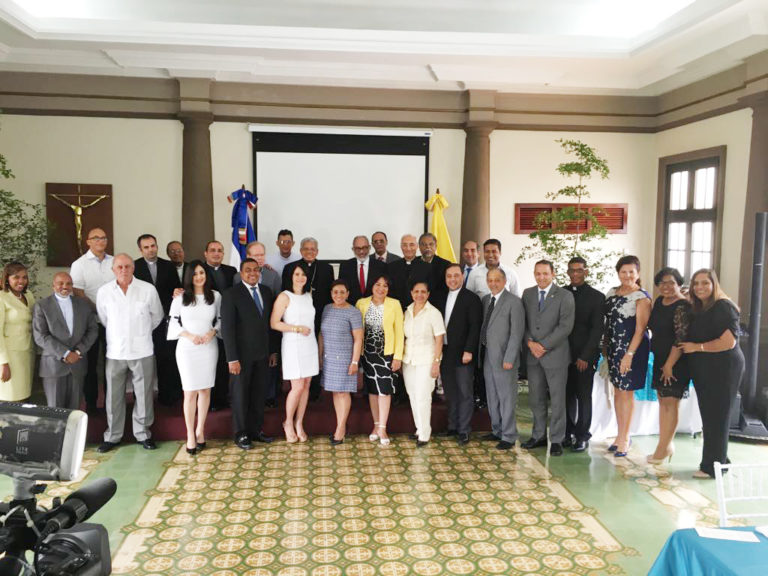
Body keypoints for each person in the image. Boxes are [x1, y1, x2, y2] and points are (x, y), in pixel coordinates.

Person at [679, 268, 745, 479]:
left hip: (723, 367)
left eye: (705, 283)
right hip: (705, 367)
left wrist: (696, 348)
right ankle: (720, 461)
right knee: (709, 415)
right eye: (696, 283)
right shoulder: (700, 307)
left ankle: (713, 467)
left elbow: (728, 343)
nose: (700, 287)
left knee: (718, 416)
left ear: (714, 284)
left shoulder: (724, 306)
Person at [96, 254, 164, 453]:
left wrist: (140, 333)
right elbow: (104, 318)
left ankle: (143, 434)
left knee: (143, 394)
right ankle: (113, 436)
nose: (123, 270)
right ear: (113, 270)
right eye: (119, 267)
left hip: (142, 349)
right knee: (113, 397)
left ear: (133, 268)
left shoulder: (147, 289)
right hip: (115, 351)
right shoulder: (104, 292)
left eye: (127, 266)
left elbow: (157, 316)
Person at [220, 258, 277, 449]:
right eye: (248, 270)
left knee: (259, 394)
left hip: (263, 354)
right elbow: (227, 329)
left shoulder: (267, 292)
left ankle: (255, 430)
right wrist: (232, 358)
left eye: (255, 270)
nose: (252, 273)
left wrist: (272, 352)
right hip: (241, 357)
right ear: (241, 273)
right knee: (240, 395)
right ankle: (241, 433)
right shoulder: (231, 294)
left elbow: (270, 326)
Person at [521, 260, 575, 456]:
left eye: (545, 273)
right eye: (538, 274)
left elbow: (565, 327)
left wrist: (543, 346)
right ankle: (538, 436)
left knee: (558, 400)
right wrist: (529, 343)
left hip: (555, 356)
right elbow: (523, 322)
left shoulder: (565, 296)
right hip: (533, 356)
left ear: (553, 274)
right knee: (536, 398)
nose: (541, 277)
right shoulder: (527, 294)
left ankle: (557, 439)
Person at [167, 260, 221, 455]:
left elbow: (221, 320)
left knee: (205, 390)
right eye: (195, 273)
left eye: (202, 273)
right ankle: (189, 433)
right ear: (189, 276)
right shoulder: (181, 298)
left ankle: (200, 430)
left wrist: (212, 332)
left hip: (208, 347)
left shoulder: (215, 296)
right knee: (190, 392)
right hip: (187, 348)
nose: (199, 277)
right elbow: (172, 322)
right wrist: (189, 336)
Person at [603, 255, 651, 458]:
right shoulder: (611, 293)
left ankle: (625, 437)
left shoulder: (641, 297)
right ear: (618, 273)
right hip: (614, 348)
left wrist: (629, 355)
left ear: (638, 273)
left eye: (632, 271)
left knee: (627, 392)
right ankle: (619, 433)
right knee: (617, 391)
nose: (628, 275)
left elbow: (641, 330)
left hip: (631, 350)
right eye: (624, 271)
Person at [645, 267, 692, 464]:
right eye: (662, 283)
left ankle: (663, 448)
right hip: (660, 359)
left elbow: (681, 338)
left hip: (675, 362)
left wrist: (669, 365)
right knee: (663, 402)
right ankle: (665, 445)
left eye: (671, 282)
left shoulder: (683, 306)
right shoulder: (659, 302)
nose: (666, 286)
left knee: (671, 403)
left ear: (679, 284)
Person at [32, 272, 98, 409]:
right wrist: (66, 353)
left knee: (74, 410)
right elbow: (40, 336)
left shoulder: (83, 305)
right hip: (53, 366)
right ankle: (56, 432)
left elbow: (92, 330)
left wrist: (78, 351)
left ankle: (73, 432)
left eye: (68, 283)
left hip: (78, 363)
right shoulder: (42, 306)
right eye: (60, 283)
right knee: (55, 410)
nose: (65, 286)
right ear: (53, 286)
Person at [271, 265, 320, 443]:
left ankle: (300, 422)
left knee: (306, 384)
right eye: (297, 274)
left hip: (309, 344)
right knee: (297, 386)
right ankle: (288, 422)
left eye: (303, 275)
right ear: (291, 277)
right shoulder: (284, 296)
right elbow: (274, 323)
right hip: (293, 344)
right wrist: (297, 329)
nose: (300, 277)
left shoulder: (308, 296)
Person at [282, 237, 334, 402]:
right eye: (306, 249)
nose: (309, 252)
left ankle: (315, 388)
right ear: (301, 250)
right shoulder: (291, 268)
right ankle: (297, 388)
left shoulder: (326, 268)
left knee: (318, 350)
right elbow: (285, 292)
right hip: (297, 317)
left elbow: (330, 293)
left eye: (313, 249)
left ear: (317, 252)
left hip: (319, 314)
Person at [435, 263, 482, 445]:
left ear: (462, 276)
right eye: (449, 276)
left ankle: (464, 430)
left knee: (464, 392)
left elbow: (474, 327)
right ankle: (453, 426)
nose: (452, 279)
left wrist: (469, 350)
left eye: (456, 275)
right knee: (450, 392)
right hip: (445, 352)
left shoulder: (471, 298)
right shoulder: (440, 297)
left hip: (463, 353)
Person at [233, 241, 283, 408]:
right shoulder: (237, 277)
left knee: (268, 368)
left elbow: (277, 304)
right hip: (245, 336)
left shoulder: (272, 275)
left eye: (262, 254)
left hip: (267, 330)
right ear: (248, 256)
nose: (259, 258)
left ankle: (269, 397)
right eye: (255, 255)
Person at [134, 233, 182, 406]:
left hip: (165, 320)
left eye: (153, 245)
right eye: (146, 247)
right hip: (142, 322)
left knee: (166, 358)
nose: (150, 249)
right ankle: (141, 398)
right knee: (142, 361)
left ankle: (167, 395)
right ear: (140, 249)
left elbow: (177, 289)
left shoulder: (168, 266)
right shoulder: (134, 266)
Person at [70, 226, 114, 413]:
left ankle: (112, 402)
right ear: (88, 241)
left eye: (103, 237)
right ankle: (92, 403)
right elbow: (78, 292)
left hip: (113, 323)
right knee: (92, 364)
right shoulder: (79, 264)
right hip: (91, 322)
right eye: (96, 238)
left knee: (112, 363)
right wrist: (99, 310)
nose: (101, 241)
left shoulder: (114, 261)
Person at [480, 268, 525, 450]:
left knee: (506, 398)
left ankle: (508, 435)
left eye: (497, 280)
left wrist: (510, 357)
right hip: (488, 357)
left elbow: (517, 333)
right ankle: (496, 430)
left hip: (505, 359)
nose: (493, 283)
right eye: (490, 280)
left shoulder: (514, 302)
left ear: (505, 281)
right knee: (492, 397)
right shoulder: (485, 300)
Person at [563, 257, 605, 452]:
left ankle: (582, 435)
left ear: (586, 272)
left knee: (583, 397)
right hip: (562, 356)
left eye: (579, 270)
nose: (575, 274)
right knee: (566, 396)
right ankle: (567, 432)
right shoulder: (561, 293)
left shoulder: (597, 297)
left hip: (584, 357)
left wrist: (585, 356)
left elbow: (597, 330)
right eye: (572, 271)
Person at [356, 276, 404, 446]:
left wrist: (398, 356)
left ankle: (383, 427)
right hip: (367, 354)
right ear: (372, 286)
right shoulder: (361, 303)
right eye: (378, 285)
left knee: (384, 391)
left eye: (385, 286)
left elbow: (399, 331)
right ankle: (376, 426)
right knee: (372, 391)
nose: (381, 288)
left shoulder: (394, 304)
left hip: (386, 354)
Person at [318, 280, 363, 445]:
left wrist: (355, 362)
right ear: (331, 293)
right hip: (329, 358)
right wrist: (320, 356)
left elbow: (358, 339)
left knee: (343, 393)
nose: (339, 295)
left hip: (345, 358)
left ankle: (340, 429)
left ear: (348, 293)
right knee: (336, 393)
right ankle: (341, 426)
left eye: (342, 292)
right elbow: (321, 334)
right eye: (335, 292)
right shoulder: (327, 308)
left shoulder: (353, 312)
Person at [402, 280, 446, 446]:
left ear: (428, 294)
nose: (419, 295)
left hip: (426, 361)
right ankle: (419, 429)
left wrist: (436, 362)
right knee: (413, 395)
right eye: (416, 291)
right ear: (412, 293)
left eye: (423, 292)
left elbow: (439, 339)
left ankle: (425, 433)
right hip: (409, 360)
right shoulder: (407, 311)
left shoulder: (433, 313)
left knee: (423, 397)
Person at [202, 240, 237, 411]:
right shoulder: (199, 271)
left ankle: (222, 397)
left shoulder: (231, 271)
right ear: (205, 253)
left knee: (224, 360)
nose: (216, 253)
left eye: (220, 251)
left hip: (227, 321)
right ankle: (211, 400)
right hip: (205, 324)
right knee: (209, 363)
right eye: (213, 250)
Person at [0, 262, 36, 402]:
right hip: (10, 356)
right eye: (16, 277)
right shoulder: (2, 298)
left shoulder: (29, 295)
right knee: (10, 397)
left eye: (24, 277)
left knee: (25, 396)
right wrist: (3, 363)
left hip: (28, 353)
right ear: (7, 279)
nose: (21, 281)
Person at [338, 235, 387, 305]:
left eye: (364, 248)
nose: (361, 251)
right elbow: (342, 289)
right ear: (353, 249)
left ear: (369, 247)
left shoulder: (381, 266)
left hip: (375, 308)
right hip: (352, 308)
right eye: (358, 248)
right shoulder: (345, 266)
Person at [388, 234, 430, 309]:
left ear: (417, 246)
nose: (408, 248)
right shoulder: (392, 267)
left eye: (411, 245)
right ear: (401, 247)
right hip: (397, 310)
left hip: (419, 310)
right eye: (404, 245)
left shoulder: (427, 267)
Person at [418, 232, 450, 299]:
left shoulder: (445, 265)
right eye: (424, 244)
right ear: (419, 247)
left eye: (431, 244)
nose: (428, 247)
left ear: (436, 246)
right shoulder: (414, 263)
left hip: (437, 304)